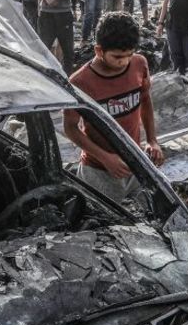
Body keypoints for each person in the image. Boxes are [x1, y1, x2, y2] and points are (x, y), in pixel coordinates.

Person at [63, 12, 162, 204]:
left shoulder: (139, 63)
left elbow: (145, 100)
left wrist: (152, 140)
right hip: (97, 169)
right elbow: (70, 128)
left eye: (129, 55)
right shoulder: (79, 82)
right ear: (99, 51)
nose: (124, 62)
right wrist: (105, 157)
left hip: (135, 162)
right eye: (117, 57)